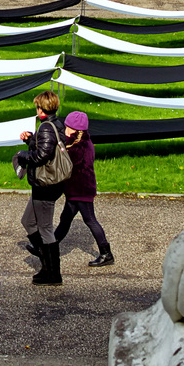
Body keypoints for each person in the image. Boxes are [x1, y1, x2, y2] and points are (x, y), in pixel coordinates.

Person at [14, 90, 68, 286]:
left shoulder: (46, 127)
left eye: (37, 107)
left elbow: (41, 156)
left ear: (42, 109)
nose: (36, 110)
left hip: (45, 184)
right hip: (46, 184)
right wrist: (30, 140)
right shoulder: (56, 123)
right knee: (28, 221)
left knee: (44, 227)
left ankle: (52, 272)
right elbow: (46, 148)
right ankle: (45, 261)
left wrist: (22, 155)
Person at [55, 111, 113, 267]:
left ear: (73, 130)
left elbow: (65, 158)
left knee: (90, 220)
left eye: (66, 128)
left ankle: (106, 253)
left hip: (81, 190)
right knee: (65, 220)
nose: (64, 130)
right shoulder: (82, 142)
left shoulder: (79, 146)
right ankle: (48, 247)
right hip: (76, 190)